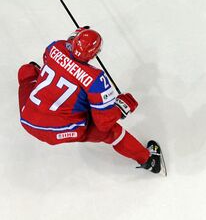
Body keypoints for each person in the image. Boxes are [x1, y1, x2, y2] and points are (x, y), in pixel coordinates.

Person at [18, 26, 165, 175]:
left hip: (27, 119)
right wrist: (121, 107)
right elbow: (103, 123)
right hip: (59, 130)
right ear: (95, 54)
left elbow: (48, 59)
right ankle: (149, 160)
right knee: (113, 132)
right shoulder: (96, 79)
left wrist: (78, 34)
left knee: (27, 71)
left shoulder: (55, 47)